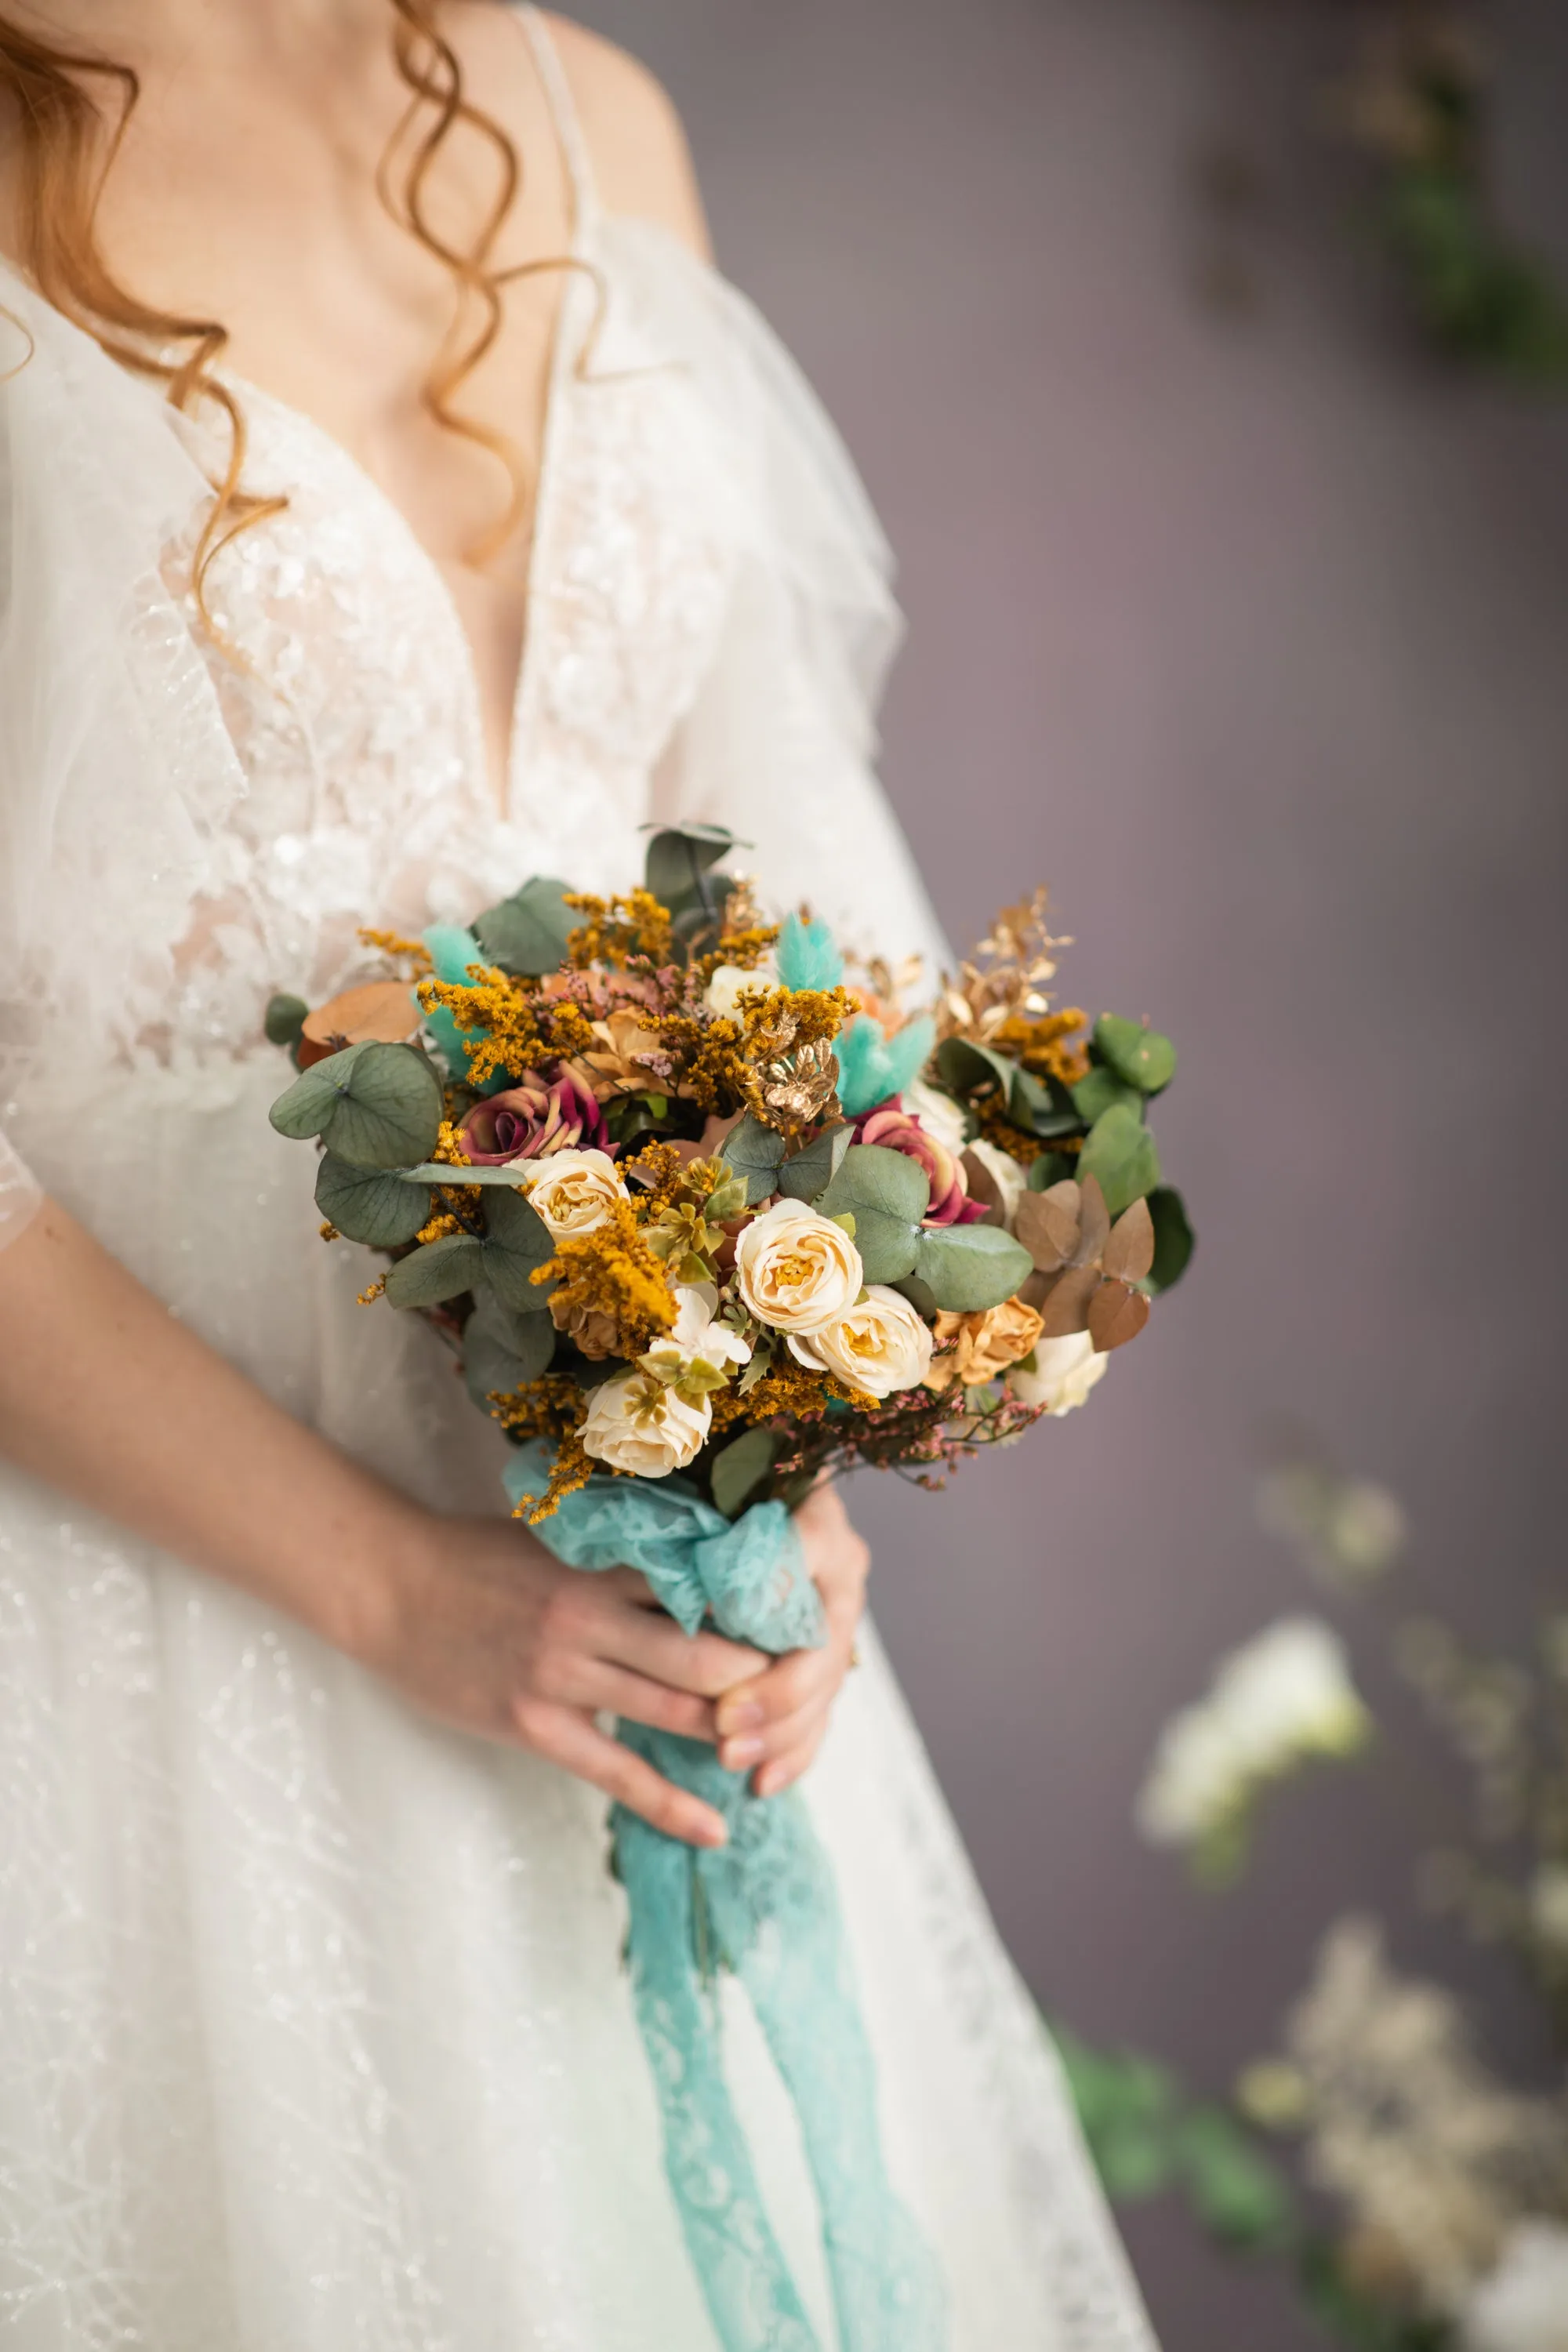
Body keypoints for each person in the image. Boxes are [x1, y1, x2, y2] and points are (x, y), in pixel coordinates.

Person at [0, 5, 1156, 2343]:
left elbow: (783, 838)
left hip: (660, 1605)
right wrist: (390, 1591)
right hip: (160, 1618)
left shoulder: (580, 107)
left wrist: (812, 1442)